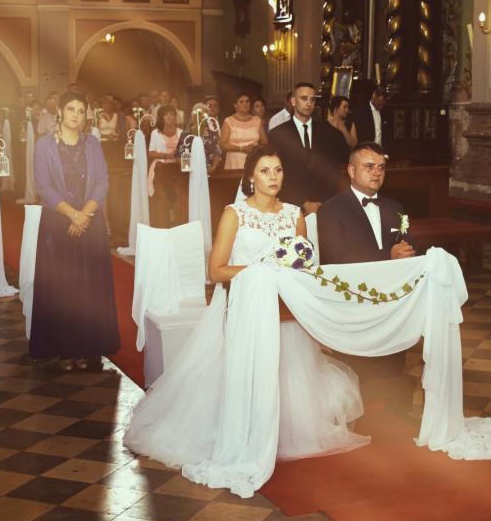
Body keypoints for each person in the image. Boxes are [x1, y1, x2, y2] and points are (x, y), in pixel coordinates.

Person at [123, 145, 368, 490]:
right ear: (251, 177)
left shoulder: (294, 215)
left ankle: (281, 431)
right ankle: (242, 430)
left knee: (288, 373)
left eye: (278, 170)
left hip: (284, 313)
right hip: (245, 312)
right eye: (265, 171)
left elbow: (301, 268)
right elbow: (216, 270)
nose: (273, 177)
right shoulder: (235, 214)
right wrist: (261, 271)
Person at [316, 141, 418, 409]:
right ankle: (358, 412)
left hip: (392, 303)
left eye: (381, 168)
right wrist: (388, 255)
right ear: (351, 170)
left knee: (392, 368)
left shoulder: (397, 207)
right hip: (353, 305)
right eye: (369, 166)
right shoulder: (330, 210)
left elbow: (408, 243)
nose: (377, 173)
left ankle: (393, 411)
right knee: (359, 375)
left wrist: (408, 252)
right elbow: (336, 258)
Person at [28, 90, 120, 371]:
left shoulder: (92, 143)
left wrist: (85, 214)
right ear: (60, 111)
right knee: (63, 287)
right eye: (71, 109)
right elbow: (43, 186)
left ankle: (90, 346)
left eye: (81, 111)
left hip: (90, 221)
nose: (76, 116)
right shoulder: (44, 145)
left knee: (89, 286)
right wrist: (73, 215)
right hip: (58, 222)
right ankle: (64, 348)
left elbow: (102, 181)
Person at [267, 82, 345, 213]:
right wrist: (302, 202)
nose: (309, 103)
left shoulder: (330, 133)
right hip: (290, 205)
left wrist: (322, 202)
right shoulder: (277, 134)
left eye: (312, 100)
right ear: (293, 101)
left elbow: (334, 171)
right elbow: (276, 173)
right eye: (304, 98)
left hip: (324, 205)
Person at [147, 105, 186, 227]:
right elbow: (151, 153)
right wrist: (167, 155)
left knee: (179, 199)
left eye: (171, 114)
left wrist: (179, 157)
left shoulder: (181, 133)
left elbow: (185, 152)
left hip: (177, 170)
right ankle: (161, 225)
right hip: (161, 169)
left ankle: (177, 224)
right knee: (162, 200)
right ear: (161, 117)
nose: (169, 117)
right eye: (166, 115)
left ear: (175, 117)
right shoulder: (155, 133)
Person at [219, 91, 263, 170]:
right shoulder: (228, 121)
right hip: (234, 162)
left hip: (253, 160)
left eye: (247, 101)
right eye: (241, 102)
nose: (245, 104)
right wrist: (241, 149)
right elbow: (223, 145)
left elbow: (264, 142)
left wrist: (255, 149)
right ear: (235, 105)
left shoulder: (257, 120)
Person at [355, 85, 387, 149]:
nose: (381, 107)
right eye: (379, 104)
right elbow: (359, 133)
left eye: (382, 105)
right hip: (367, 148)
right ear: (374, 96)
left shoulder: (384, 111)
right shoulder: (362, 111)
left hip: (380, 148)